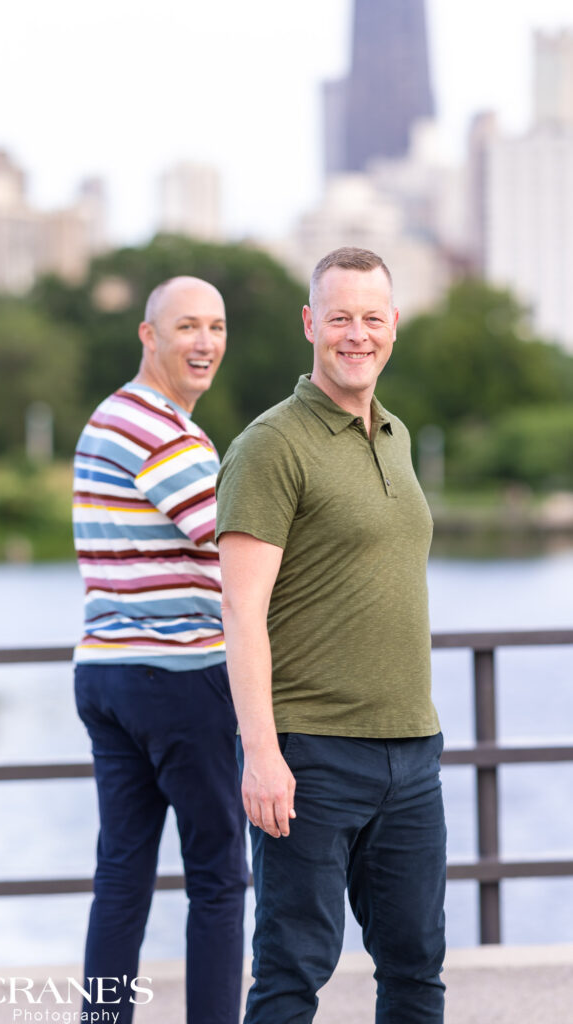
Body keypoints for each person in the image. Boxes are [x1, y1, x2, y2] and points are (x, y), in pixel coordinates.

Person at [216, 247, 446, 1023]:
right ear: (310, 324)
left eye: (371, 318)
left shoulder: (396, 434)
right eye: (340, 317)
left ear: (393, 327)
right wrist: (261, 755)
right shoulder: (270, 446)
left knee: (416, 971)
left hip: (411, 752)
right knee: (290, 973)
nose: (357, 334)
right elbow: (240, 611)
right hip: (310, 754)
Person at [73, 276, 247, 1024]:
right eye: (186, 328)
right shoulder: (161, 428)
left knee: (121, 874)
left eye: (214, 327)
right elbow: (230, 535)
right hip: (177, 676)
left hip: (106, 672)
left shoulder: (111, 414)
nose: (204, 342)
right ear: (148, 336)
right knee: (217, 878)